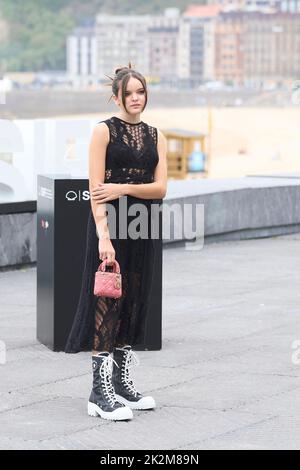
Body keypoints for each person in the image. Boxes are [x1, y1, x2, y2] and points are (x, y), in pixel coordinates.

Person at [64, 62, 168, 421]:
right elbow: (96, 191)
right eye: (130, 93)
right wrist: (103, 236)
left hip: (144, 225)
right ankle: (98, 392)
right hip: (112, 227)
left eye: (142, 92)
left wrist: (123, 186)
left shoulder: (157, 135)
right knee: (107, 305)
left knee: (135, 302)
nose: (136, 98)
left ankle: (122, 386)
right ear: (117, 97)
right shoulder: (103, 131)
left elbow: (161, 188)